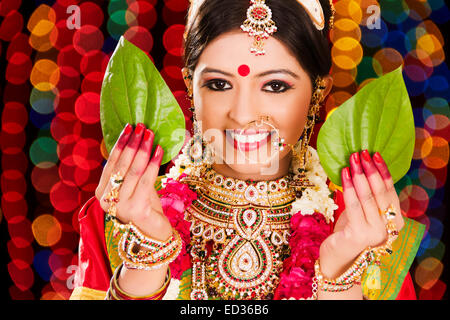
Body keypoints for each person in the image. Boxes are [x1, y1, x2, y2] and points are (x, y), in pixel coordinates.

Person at [70, 0, 424, 300]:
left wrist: (340, 278)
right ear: (190, 88)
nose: (241, 115)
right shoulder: (128, 213)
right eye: (219, 84)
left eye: (274, 85)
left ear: (318, 91)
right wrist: (146, 258)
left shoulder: (368, 228)